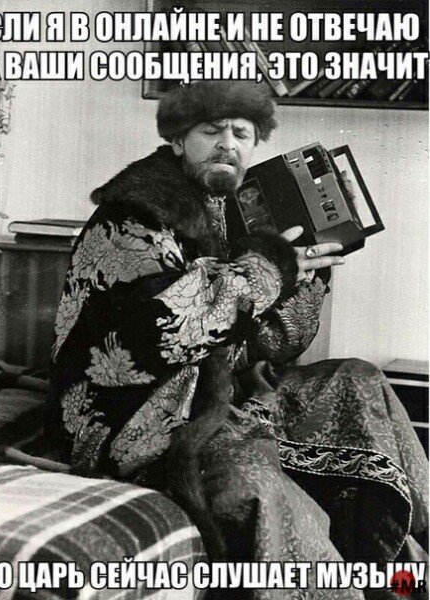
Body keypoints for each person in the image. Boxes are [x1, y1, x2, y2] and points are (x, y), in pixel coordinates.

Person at [50, 81, 428, 599]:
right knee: (256, 486)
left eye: (242, 134)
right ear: (178, 140)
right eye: (212, 131)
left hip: (217, 394)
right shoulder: (131, 215)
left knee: (358, 379)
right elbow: (167, 330)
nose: (228, 144)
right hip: (137, 418)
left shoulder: (231, 211)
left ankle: (406, 566)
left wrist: (308, 271)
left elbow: (269, 345)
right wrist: (270, 269)